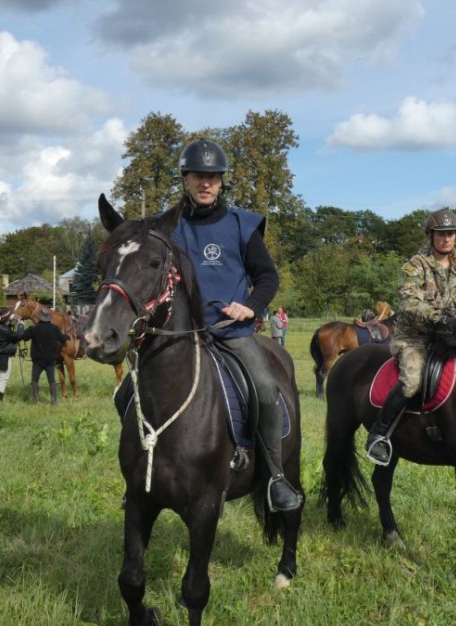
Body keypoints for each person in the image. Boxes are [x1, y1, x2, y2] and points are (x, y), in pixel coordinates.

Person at [169, 138, 302, 513]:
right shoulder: (170, 227)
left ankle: (275, 476)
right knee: (131, 391)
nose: (206, 183)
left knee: (264, 388)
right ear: (186, 179)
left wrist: (250, 308)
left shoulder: (242, 225)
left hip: (231, 332)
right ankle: (142, 473)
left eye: (213, 176)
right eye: (198, 176)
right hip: (182, 335)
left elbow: (267, 277)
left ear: (222, 181)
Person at [366, 208, 456, 465]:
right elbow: (409, 302)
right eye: (441, 234)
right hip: (416, 337)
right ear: (430, 235)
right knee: (413, 380)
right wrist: (440, 317)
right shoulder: (416, 265)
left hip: (452, 336)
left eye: (451, 234)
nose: (446, 238)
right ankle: (379, 434)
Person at [14, 308, 68, 405]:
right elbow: (62, 338)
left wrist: (21, 326)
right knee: (52, 380)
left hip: (37, 359)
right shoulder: (54, 328)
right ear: (49, 318)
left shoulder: (34, 329)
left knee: (34, 380)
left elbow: (23, 337)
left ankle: (36, 400)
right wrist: (67, 336)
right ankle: (54, 401)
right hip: (51, 359)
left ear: (39, 317)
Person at [0, 307, 20, 401]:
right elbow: (16, 336)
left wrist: (10, 325)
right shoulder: (5, 330)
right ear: (5, 318)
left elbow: (3, 333)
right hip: (4, 354)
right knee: (3, 377)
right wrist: (21, 327)